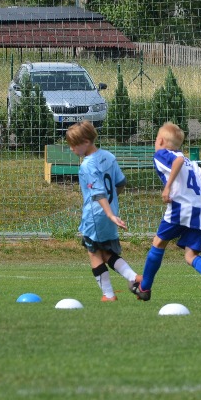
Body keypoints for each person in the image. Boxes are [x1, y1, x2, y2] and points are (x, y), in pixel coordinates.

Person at [131, 122, 201, 307]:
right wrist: (197, 201)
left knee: (158, 243)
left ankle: (144, 288)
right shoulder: (189, 162)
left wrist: (167, 187)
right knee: (190, 255)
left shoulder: (162, 154)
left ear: (161, 141)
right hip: (200, 209)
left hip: (181, 207)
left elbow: (175, 162)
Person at [65, 120, 141, 301]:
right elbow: (121, 183)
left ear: (85, 142)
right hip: (110, 212)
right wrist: (111, 208)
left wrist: (108, 213)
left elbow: (98, 193)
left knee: (94, 253)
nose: (71, 149)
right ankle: (135, 278)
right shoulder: (108, 156)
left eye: (73, 145)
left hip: (96, 215)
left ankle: (109, 294)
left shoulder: (87, 165)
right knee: (107, 253)